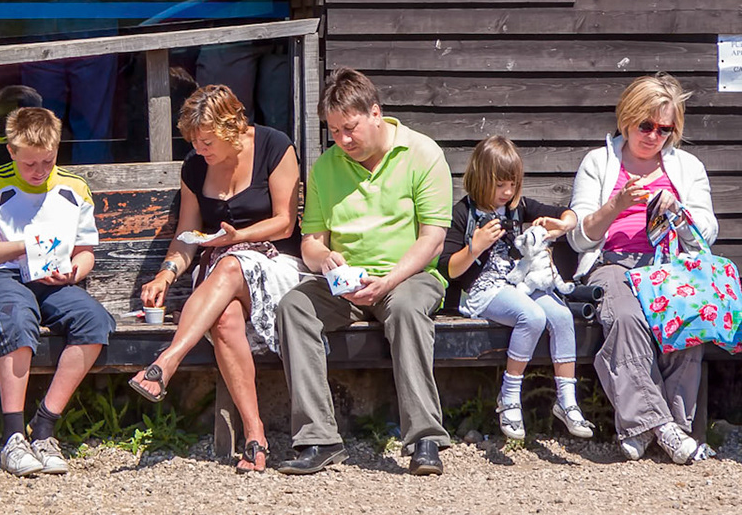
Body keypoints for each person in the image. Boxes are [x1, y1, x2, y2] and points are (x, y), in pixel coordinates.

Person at [274, 68, 453, 476]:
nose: (342, 140)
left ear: (375, 113)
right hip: (346, 284)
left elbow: (433, 240)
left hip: (407, 278)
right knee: (293, 307)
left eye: (349, 129)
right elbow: (311, 241)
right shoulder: (325, 167)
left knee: (407, 308)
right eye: (334, 131)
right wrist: (322, 260)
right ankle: (318, 438)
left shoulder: (423, 153)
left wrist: (388, 281)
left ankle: (425, 438)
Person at [129, 86, 303, 472]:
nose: (199, 148)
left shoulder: (274, 146)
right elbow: (187, 236)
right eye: (193, 141)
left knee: (229, 263)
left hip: (272, 264)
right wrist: (166, 274)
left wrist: (238, 238)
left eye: (206, 141)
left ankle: (167, 362)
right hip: (219, 272)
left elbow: (284, 221)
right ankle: (255, 435)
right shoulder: (195, 166)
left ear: (231, 127)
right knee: (224, 320)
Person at [569, 73, 717, 465]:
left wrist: (680, 213)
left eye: (664, 129)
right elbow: (579, 239)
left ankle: (655, 427)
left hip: (669, 265)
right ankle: (664, 429)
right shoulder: (599, 163)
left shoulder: (686, 167)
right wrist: (615, 205)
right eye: (645, 126)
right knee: (627, 317)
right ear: (626, 119)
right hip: (612, 264)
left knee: (688, 316)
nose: (653, 136)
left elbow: (707, 231)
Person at [0, 107, 114, 477]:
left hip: (54, 280)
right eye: (30, 163)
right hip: (3, 277)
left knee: (95, 321)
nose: (39, 171)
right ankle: (13, 438)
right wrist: (23, 247)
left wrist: (75, 271)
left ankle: (44, 428)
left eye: (48, 161)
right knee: (18, 320)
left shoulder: (74, 188)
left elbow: (86, 251)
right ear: (11, 151)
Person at [438, 135, 591, 443]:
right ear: (481, 179)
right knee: (532, 317)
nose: (507, 192)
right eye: (499, 185)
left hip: (516, 283)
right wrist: (476, 246)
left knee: (560, 316)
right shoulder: (463, 213)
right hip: (481, 290)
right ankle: (509, 399)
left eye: (512, 184)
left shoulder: (517, 207)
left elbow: (567, 213)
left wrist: (562, 224)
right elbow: (449, 268)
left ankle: (567, 400)